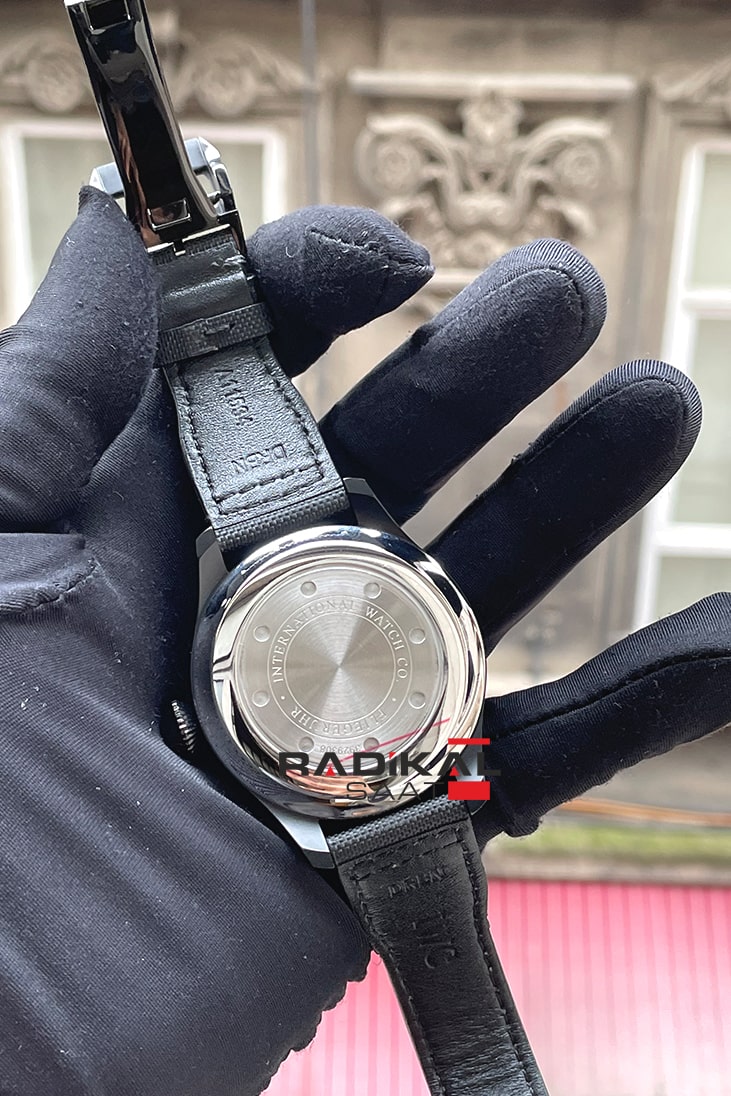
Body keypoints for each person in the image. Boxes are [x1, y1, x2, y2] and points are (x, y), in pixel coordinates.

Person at [0, 187, 728, 1096]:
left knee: (472, 773)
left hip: (407, 755)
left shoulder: (444, 753)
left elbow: (450, 765)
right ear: (205, 722)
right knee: (476, 776)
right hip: (391, 759)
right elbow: (451, 768)